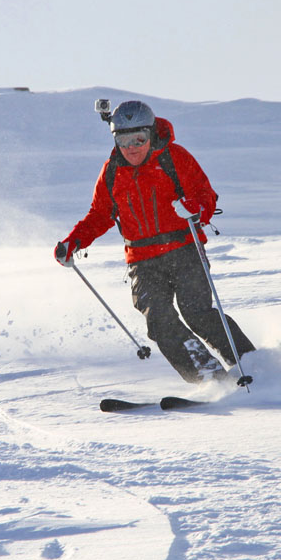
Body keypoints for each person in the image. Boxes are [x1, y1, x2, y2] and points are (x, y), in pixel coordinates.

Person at [55, 100, 255, 383]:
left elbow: (205, 194)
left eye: (139, 138)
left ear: (150, 135)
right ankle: (208, 378)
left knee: (197, 313)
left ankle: (252, 364)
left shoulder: (174, 158)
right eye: (124, 139)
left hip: (184, 249)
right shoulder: (112, 171)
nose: (132, 147)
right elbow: (100, 214)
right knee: (159, 321)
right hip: (142, 260)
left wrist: (194, 207)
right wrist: (73, 242)